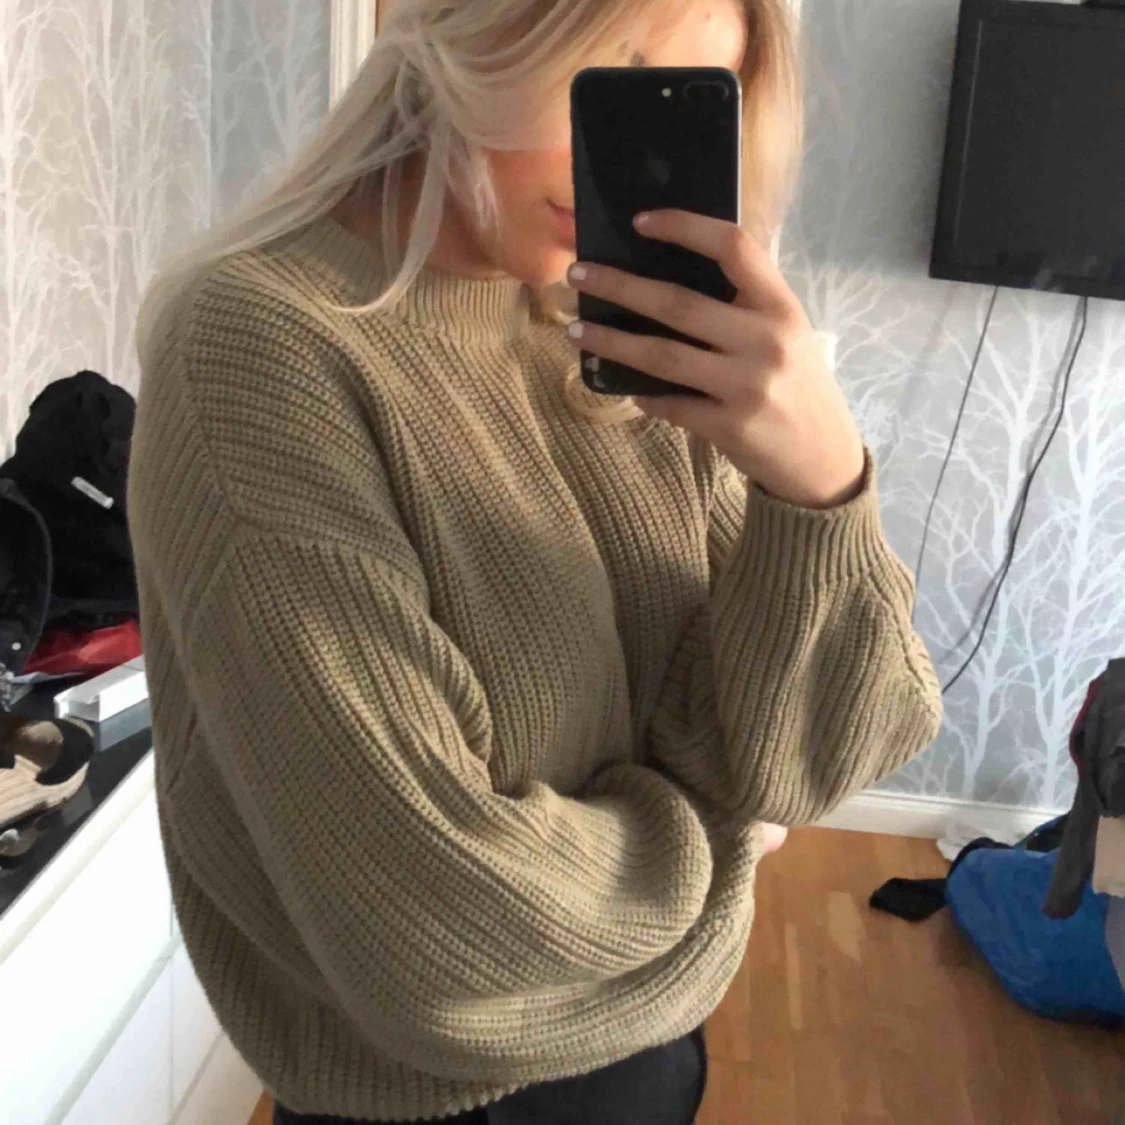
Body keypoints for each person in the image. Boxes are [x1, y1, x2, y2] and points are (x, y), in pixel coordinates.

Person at [128, 1, 943, 1122]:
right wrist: (728, 843)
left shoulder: (608, 339)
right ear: (473, 33)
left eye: (687, 97)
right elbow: (433, 928)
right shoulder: (262, 346)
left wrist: (818, 481)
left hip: (657, 1061)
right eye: (606, 70)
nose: (632, 150)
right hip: (439, 1106)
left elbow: (823, 751)